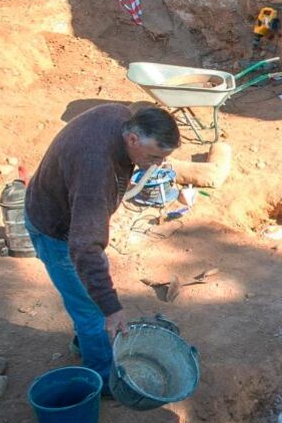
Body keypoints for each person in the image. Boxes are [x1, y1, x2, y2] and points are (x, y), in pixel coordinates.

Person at [24, 105, 181, 381]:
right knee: (93, 312)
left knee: (86, 295)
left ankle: (84, 342)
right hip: (55, 231)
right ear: (132, 139)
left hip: (58, 208)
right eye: (154, 156)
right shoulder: (97, 170)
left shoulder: (121, 116)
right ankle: (104, 379)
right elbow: (84, 247)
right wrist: (111, 308)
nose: (156, 165)